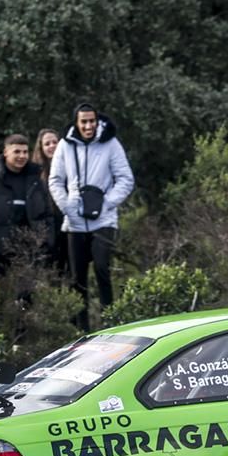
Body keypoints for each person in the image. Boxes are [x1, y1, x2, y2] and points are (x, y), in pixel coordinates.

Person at [48, 103, 135, 331]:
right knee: (77, 277)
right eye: (83, 122)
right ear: (76, 123)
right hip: (75, 221)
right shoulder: (65, 145)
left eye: (91, 121)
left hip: (103, 219)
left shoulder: (110, 143)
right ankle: (82, 330)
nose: (88, 126)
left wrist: (107, 203)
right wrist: (67, 206)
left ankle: (111, 322)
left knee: (102, 267)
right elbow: (55, 180)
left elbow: (125, 178)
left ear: (97, 121)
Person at [0, 134, 54, 275]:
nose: (22, 156)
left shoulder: (36, 181)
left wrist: (47, 243)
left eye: (25, 152)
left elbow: (47, 214)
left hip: (31, 255)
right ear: (5, 152)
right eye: (17, 152)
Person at [32, 128, 68, 276]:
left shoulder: (70, 167)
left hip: (68, 226)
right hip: (47, 230)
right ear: (41, 148)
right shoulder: (35, 173)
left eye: (55, 142)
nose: (52, 146)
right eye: (47, 144)